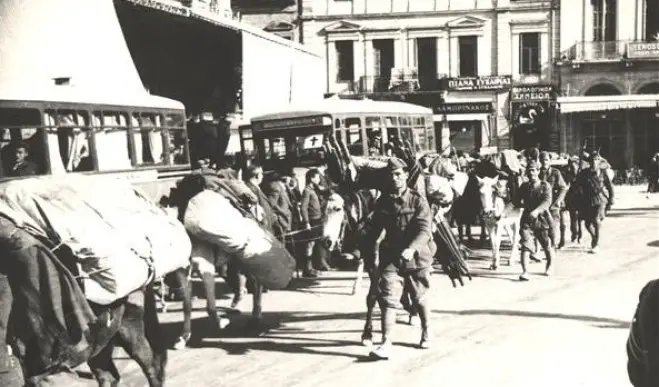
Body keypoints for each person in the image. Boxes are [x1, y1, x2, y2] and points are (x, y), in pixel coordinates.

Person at [359, 158, 436, 359]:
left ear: (405, 176)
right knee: (387, 299)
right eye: (391, 175)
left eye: (398, 174)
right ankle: (386, 342)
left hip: (417, 257)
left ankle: (427, 331)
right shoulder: (383, 202)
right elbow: (375, 229)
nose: (395, 178)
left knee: (419, 298)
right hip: (391, 257)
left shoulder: (418, 200)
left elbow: (424, 230)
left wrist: (411, 248)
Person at [517, 160, 555, 281]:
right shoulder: (524, 186)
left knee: (546, 244)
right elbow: (515, 200)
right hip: (527, 220)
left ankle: (550, 266)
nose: (530, 173)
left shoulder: (545, 186)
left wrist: (537, 211)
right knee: (525, 244)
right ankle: (525, 272)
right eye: (528, 170)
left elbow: (547, 202)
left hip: (542, 219)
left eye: (533, 170)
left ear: (538, 171)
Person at [572, 152, 614, 254]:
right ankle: (594, 237)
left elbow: (610, 187)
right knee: (587, 224)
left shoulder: (603, 173)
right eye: (592, 160)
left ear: (599, 162)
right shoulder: (584, 173)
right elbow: (576, 186)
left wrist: (611, 199)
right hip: (587, 199)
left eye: (596, 160)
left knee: (596, 220)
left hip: (600, 199)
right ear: (589, 162)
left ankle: (596, 244)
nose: (594, 162)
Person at [300, 168, 331, 273]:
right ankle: (307, 269)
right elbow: (303, 207)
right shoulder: (307, 191)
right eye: (317, 177)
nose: (319, 179)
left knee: (316, 243)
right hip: (312, 220)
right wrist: (306, 222)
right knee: (309, 244)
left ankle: (314, 266)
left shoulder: (314, 190)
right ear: (312, 178)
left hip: (318, 219)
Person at [539, 151, 568, 249]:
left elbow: (563, 188)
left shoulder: (555, 173)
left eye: (546, 160)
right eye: (542, 160)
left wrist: (559, 201)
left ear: (550, 161)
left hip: (553, 203)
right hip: (541, 203)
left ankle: (552, 246)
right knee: (541, 226)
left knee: (553, 225)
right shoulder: (537, 172)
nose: (544, 162)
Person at [563, 157, 583, 244]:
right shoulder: (567, 174)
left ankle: (580, 235)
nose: (571, 168)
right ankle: (574, 234)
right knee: (573, 217)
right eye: (570, 166)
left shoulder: (581, 174)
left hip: (580, 196)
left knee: (580, 218)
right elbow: (566, 185)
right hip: (571, 197)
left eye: (574, 166)